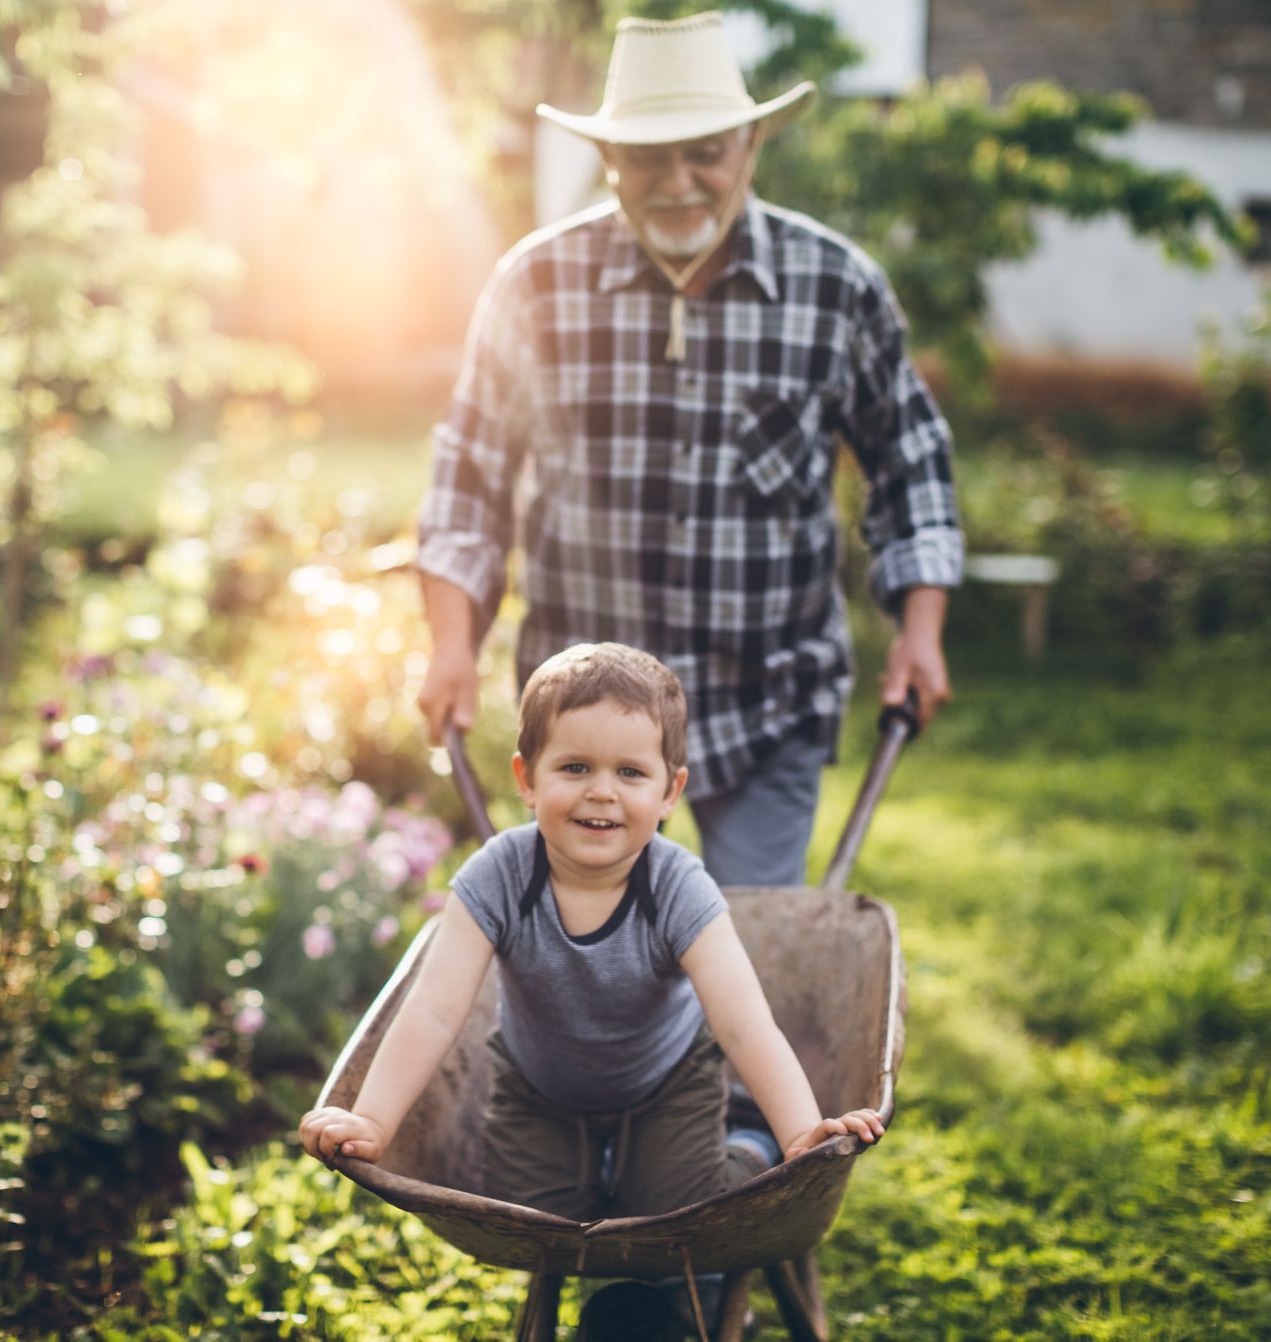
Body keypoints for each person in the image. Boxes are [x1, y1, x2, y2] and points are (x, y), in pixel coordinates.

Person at [415, 12, 964, 889]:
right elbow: (468, 477)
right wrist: (452, 643)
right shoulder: (537, 285)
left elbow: (910, 464)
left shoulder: (835, 288)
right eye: (648, 156)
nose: (678, 180)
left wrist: (920, 630)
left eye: (704, 151)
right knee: (594, 966)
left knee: (741, 957)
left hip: (766, 695)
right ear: (611, 162)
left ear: (749, 144)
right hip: (584, 733)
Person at [299, 642, 883, 1225]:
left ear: (669, 793)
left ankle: (748, 1146)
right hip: (538, 1092)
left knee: (684, 1209)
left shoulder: (677, 885)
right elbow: (432, 1010)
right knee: (531, 1217)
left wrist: (801, 1134)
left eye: (630, 773)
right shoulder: (498, 875)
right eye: (575, 767)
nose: (601, 791)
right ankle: (607, 1181)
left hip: (667, 1087)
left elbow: (743, 1023)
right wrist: (372, 1119)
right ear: (527, 779)